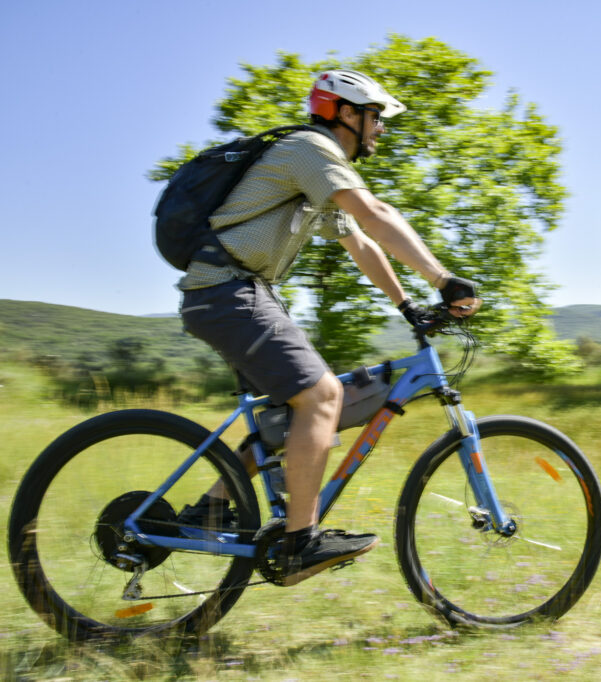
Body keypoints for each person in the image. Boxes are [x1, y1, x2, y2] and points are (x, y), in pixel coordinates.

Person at [176, 69, 479, 586]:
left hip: (238, 293)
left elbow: (360, 241)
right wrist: (443, 278)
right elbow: (376, 212)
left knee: (281, 424)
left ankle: (205, 514)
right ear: (345, 113)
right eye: (375, 117)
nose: (380, 129)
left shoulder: (314, 173)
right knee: (321, 398)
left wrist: (407, 304)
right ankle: (300, 543)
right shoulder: (310, 150)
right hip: (229, 292)